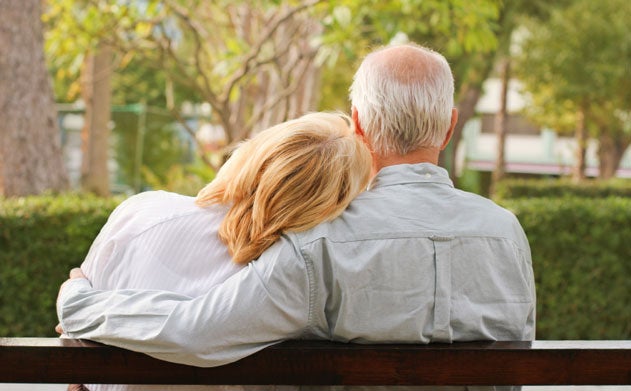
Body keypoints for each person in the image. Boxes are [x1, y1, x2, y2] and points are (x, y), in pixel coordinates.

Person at [57, 43, 536, 389]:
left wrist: (80, 303)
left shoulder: (319, 242)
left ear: (360, 124)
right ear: (451, 125)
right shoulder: (507, 235)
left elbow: (195, 332)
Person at [62, 112, 372, 391]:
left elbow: (70, 337)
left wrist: (76, 297)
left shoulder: (140, 213)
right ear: (333, 204)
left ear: (255, 154)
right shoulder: (286, 280)